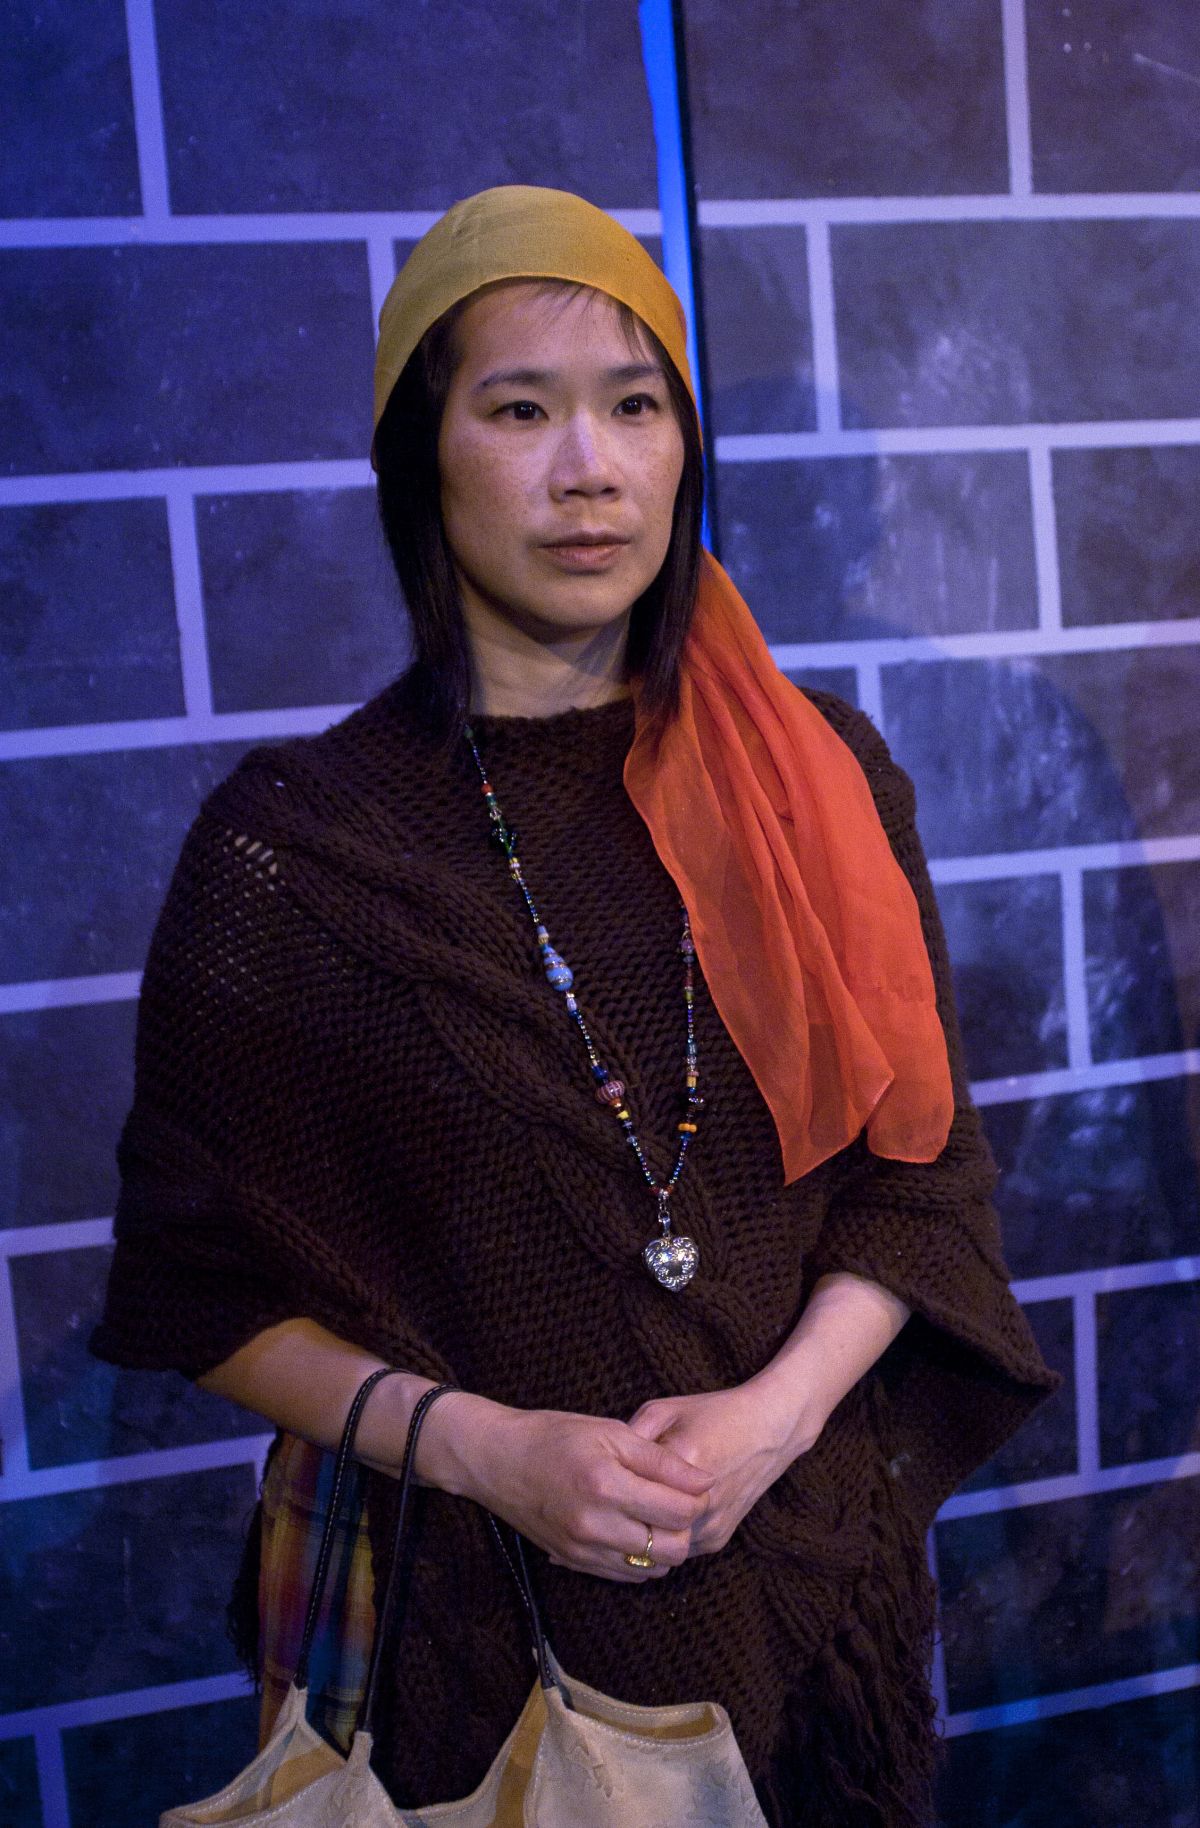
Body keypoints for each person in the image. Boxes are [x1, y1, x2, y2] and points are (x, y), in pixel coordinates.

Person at [93, 185, 1056, 1826]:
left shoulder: (818, 778)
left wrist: (771, 1424)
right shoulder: (298, 851)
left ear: (685, 452)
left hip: (814, 1601)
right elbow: (208, 1295)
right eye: (521, 410)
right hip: (480, 1653)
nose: (589, 468)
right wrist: (495, 1453)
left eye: (635, 407)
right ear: (421, 459)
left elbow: (920, 1180)